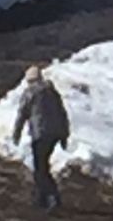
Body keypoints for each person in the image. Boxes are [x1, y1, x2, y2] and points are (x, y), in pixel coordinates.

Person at [11, 65, 70, 211]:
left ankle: (51, 196)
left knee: (40, 168)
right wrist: (64, 135)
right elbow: (62, 113)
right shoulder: (52, 92)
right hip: (55, 133)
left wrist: (16, 133)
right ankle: (41, 197)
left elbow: (22, 114)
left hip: (40, 134)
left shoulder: (30, 93)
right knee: (43, 164)